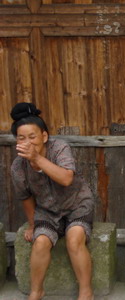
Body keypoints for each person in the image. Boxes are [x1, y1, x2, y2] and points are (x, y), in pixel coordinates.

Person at [10, 102, 95, 300]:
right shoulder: (18, 166)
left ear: (44, 136)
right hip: (47, 210)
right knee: (40, 242)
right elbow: (25, 197)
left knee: (74, 239)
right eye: (21, 138)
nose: (28, 142)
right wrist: (32, 225)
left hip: (77, 205)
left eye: (32, 137)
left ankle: (86, 292)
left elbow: (66, 178)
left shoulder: (59, 148)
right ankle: (36, 291)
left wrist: (37, 159)